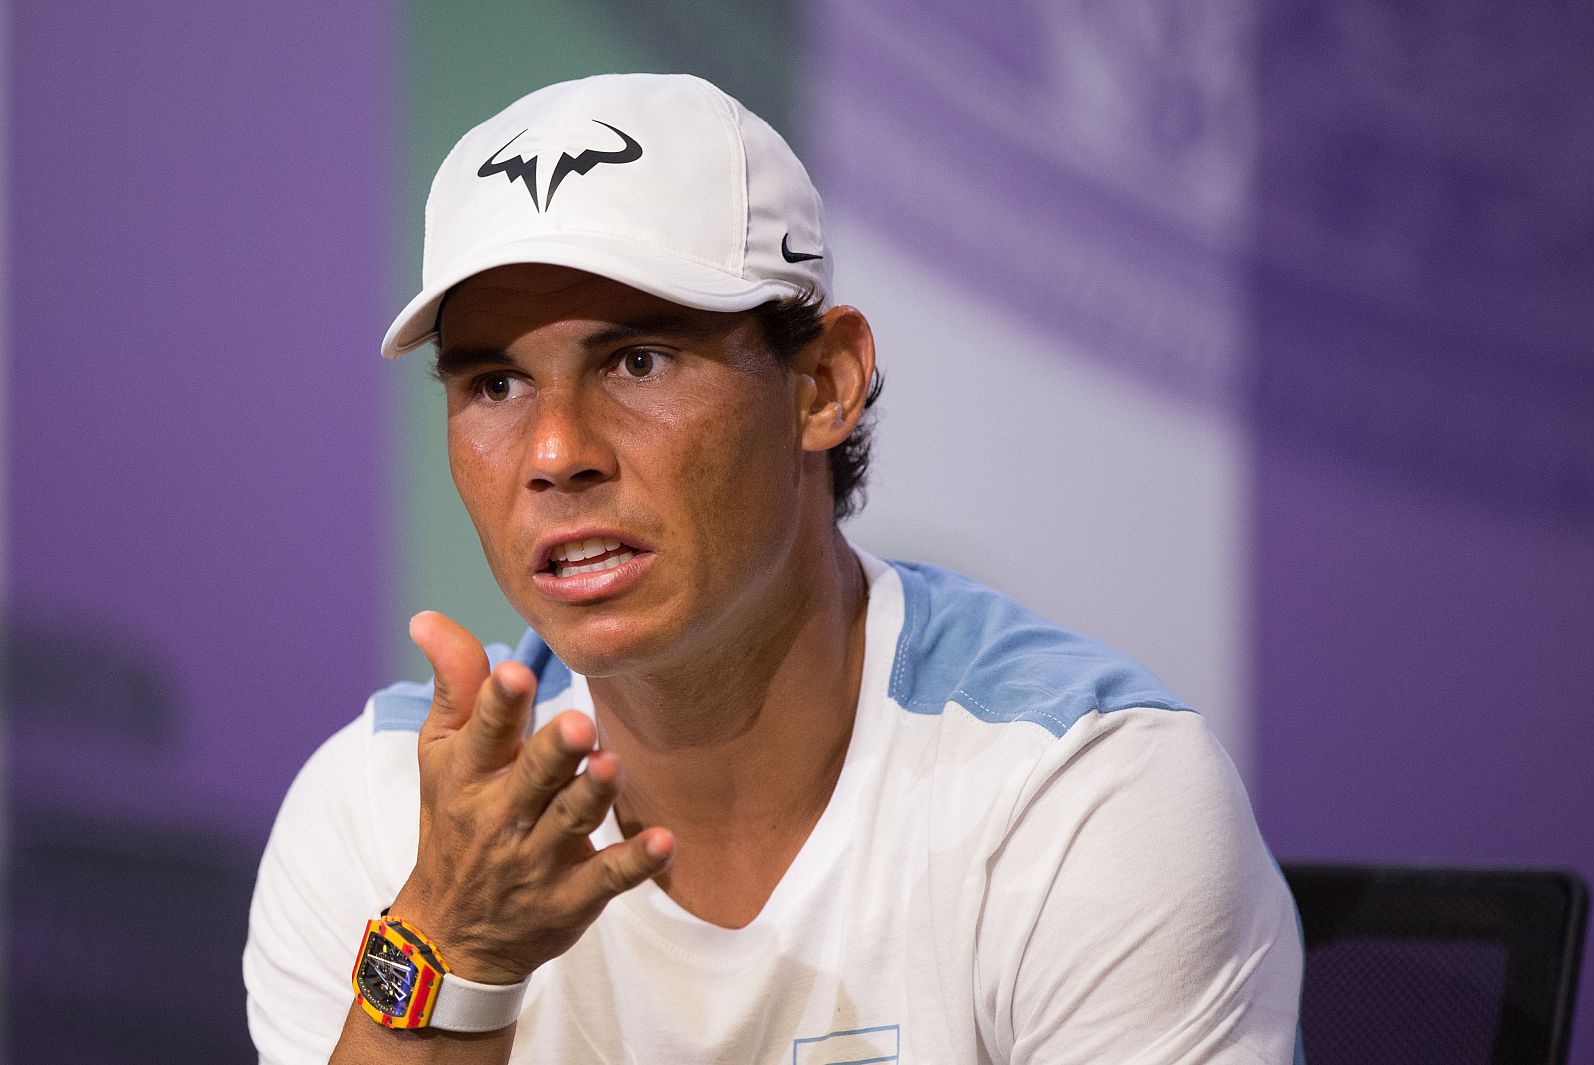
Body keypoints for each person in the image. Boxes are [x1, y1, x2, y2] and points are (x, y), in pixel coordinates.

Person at [244, 72, 1302, 1065]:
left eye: (637, 361)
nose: (556, 452)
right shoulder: (379, 813)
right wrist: (449, 959)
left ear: (823, 385)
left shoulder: (1077, 795)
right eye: (493, 383)